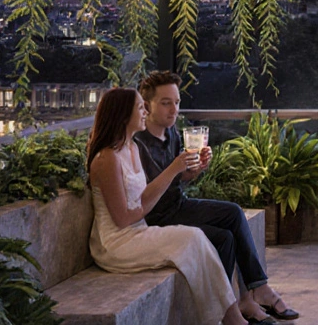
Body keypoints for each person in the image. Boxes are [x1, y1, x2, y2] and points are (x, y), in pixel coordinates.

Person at [134, 71, 299, 322]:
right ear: (147, 106)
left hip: (179, 205)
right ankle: (227, 309)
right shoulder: (138, 143)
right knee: (223, 238)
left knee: (232, 211)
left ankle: (255, 292)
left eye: (177, 102)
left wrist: (196, 169)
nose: (174, 110)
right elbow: (150, 193)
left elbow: (180, 178)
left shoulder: (172, 133)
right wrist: (177, 168)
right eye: (166, 102)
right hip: (158, 217)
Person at [86, 87, 248, 325]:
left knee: (197, 238)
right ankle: (231, 319)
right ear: (122, 115)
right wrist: (172, 169)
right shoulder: (107, 158)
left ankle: (228, 318)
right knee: (193, 238)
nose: (146, 111)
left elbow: (142, 197)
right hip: (116, 244)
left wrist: (182, 171)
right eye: (140, 107)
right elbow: (122, 218)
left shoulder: (132, 147)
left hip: (137, 232)